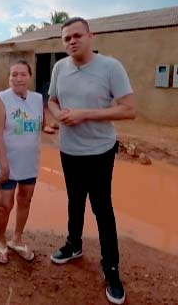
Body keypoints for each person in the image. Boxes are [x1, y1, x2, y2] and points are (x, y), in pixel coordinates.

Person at [47, 17, 136, 304]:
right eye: (66, 38)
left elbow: (129, 110)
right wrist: (57, 114)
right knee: (74, 200)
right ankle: (74, 245)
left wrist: (85, 114)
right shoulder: (60, 68)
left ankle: (111, 268)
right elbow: (51, 100)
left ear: (90, 36)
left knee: (101, 207)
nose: (72, 41)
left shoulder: (111, 67)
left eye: (77, 36)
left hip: (99, 151)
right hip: (68, 149)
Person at [0, 60, 42, 264]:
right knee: (4, 205)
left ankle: (17, 239)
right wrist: (4, 165)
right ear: (9, 78)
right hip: (7, 163)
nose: (18, 78)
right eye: (14, 75)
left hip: (30, 162)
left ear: (30, 76)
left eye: (22, 74)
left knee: (25, 201)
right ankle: (1, 241)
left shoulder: (38, 99)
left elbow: (40, 127)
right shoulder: (1, 99)